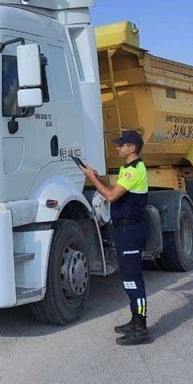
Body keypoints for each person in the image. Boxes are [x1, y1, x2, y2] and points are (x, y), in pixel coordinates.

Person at [77, 130, 151, 346]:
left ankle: (141, 328)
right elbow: (114, 191)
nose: (118, 148)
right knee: (128, 278)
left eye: (121, 145)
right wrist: (97, 177)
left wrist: (92, 179)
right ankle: (135, 320)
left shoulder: (134, 170)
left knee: (133, 278)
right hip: (124, 230)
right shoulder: (127, 169)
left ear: (132, 148)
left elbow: (109, 196)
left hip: (131, 230)